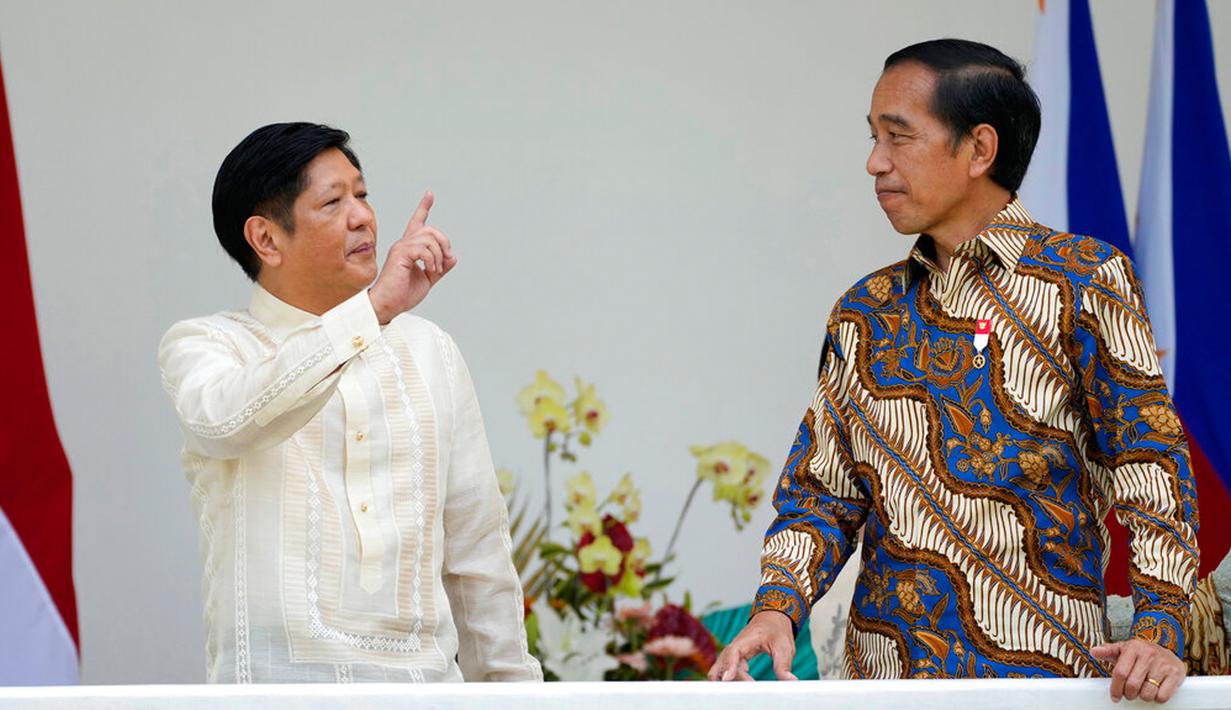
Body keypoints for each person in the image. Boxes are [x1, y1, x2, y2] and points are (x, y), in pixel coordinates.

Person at [709, 39, 1200, 705]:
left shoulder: (1082, 280)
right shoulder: (864, 312)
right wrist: (775, 609)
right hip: (882, 689)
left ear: (978, 150)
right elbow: (822, 493)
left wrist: (1158, 625)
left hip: (1046, 688)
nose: (874, 162)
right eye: (872, 136)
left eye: (898, 136)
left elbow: (1150, 461)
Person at [158, 122, 541, 683]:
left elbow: (477, 556)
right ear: (266, 239)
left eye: (361, 195)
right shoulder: (209, 346)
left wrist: (514, 694)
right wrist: (372, 313)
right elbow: (227, 421)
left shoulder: (429, 350)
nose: (362, 216)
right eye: (333, 202)